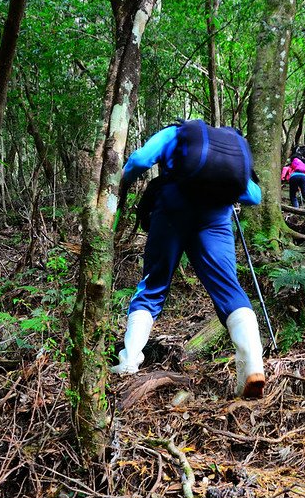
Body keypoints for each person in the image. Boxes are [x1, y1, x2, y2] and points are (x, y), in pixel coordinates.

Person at [111, 121, 265, 399]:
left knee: (153, 284)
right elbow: (254, 195)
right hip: (216, 218)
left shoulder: (177, 133)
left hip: (173, 208)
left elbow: (140, 159)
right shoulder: (233, 149)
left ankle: (129, 361)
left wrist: (120, 181)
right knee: (229, 289)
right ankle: (253, 366)